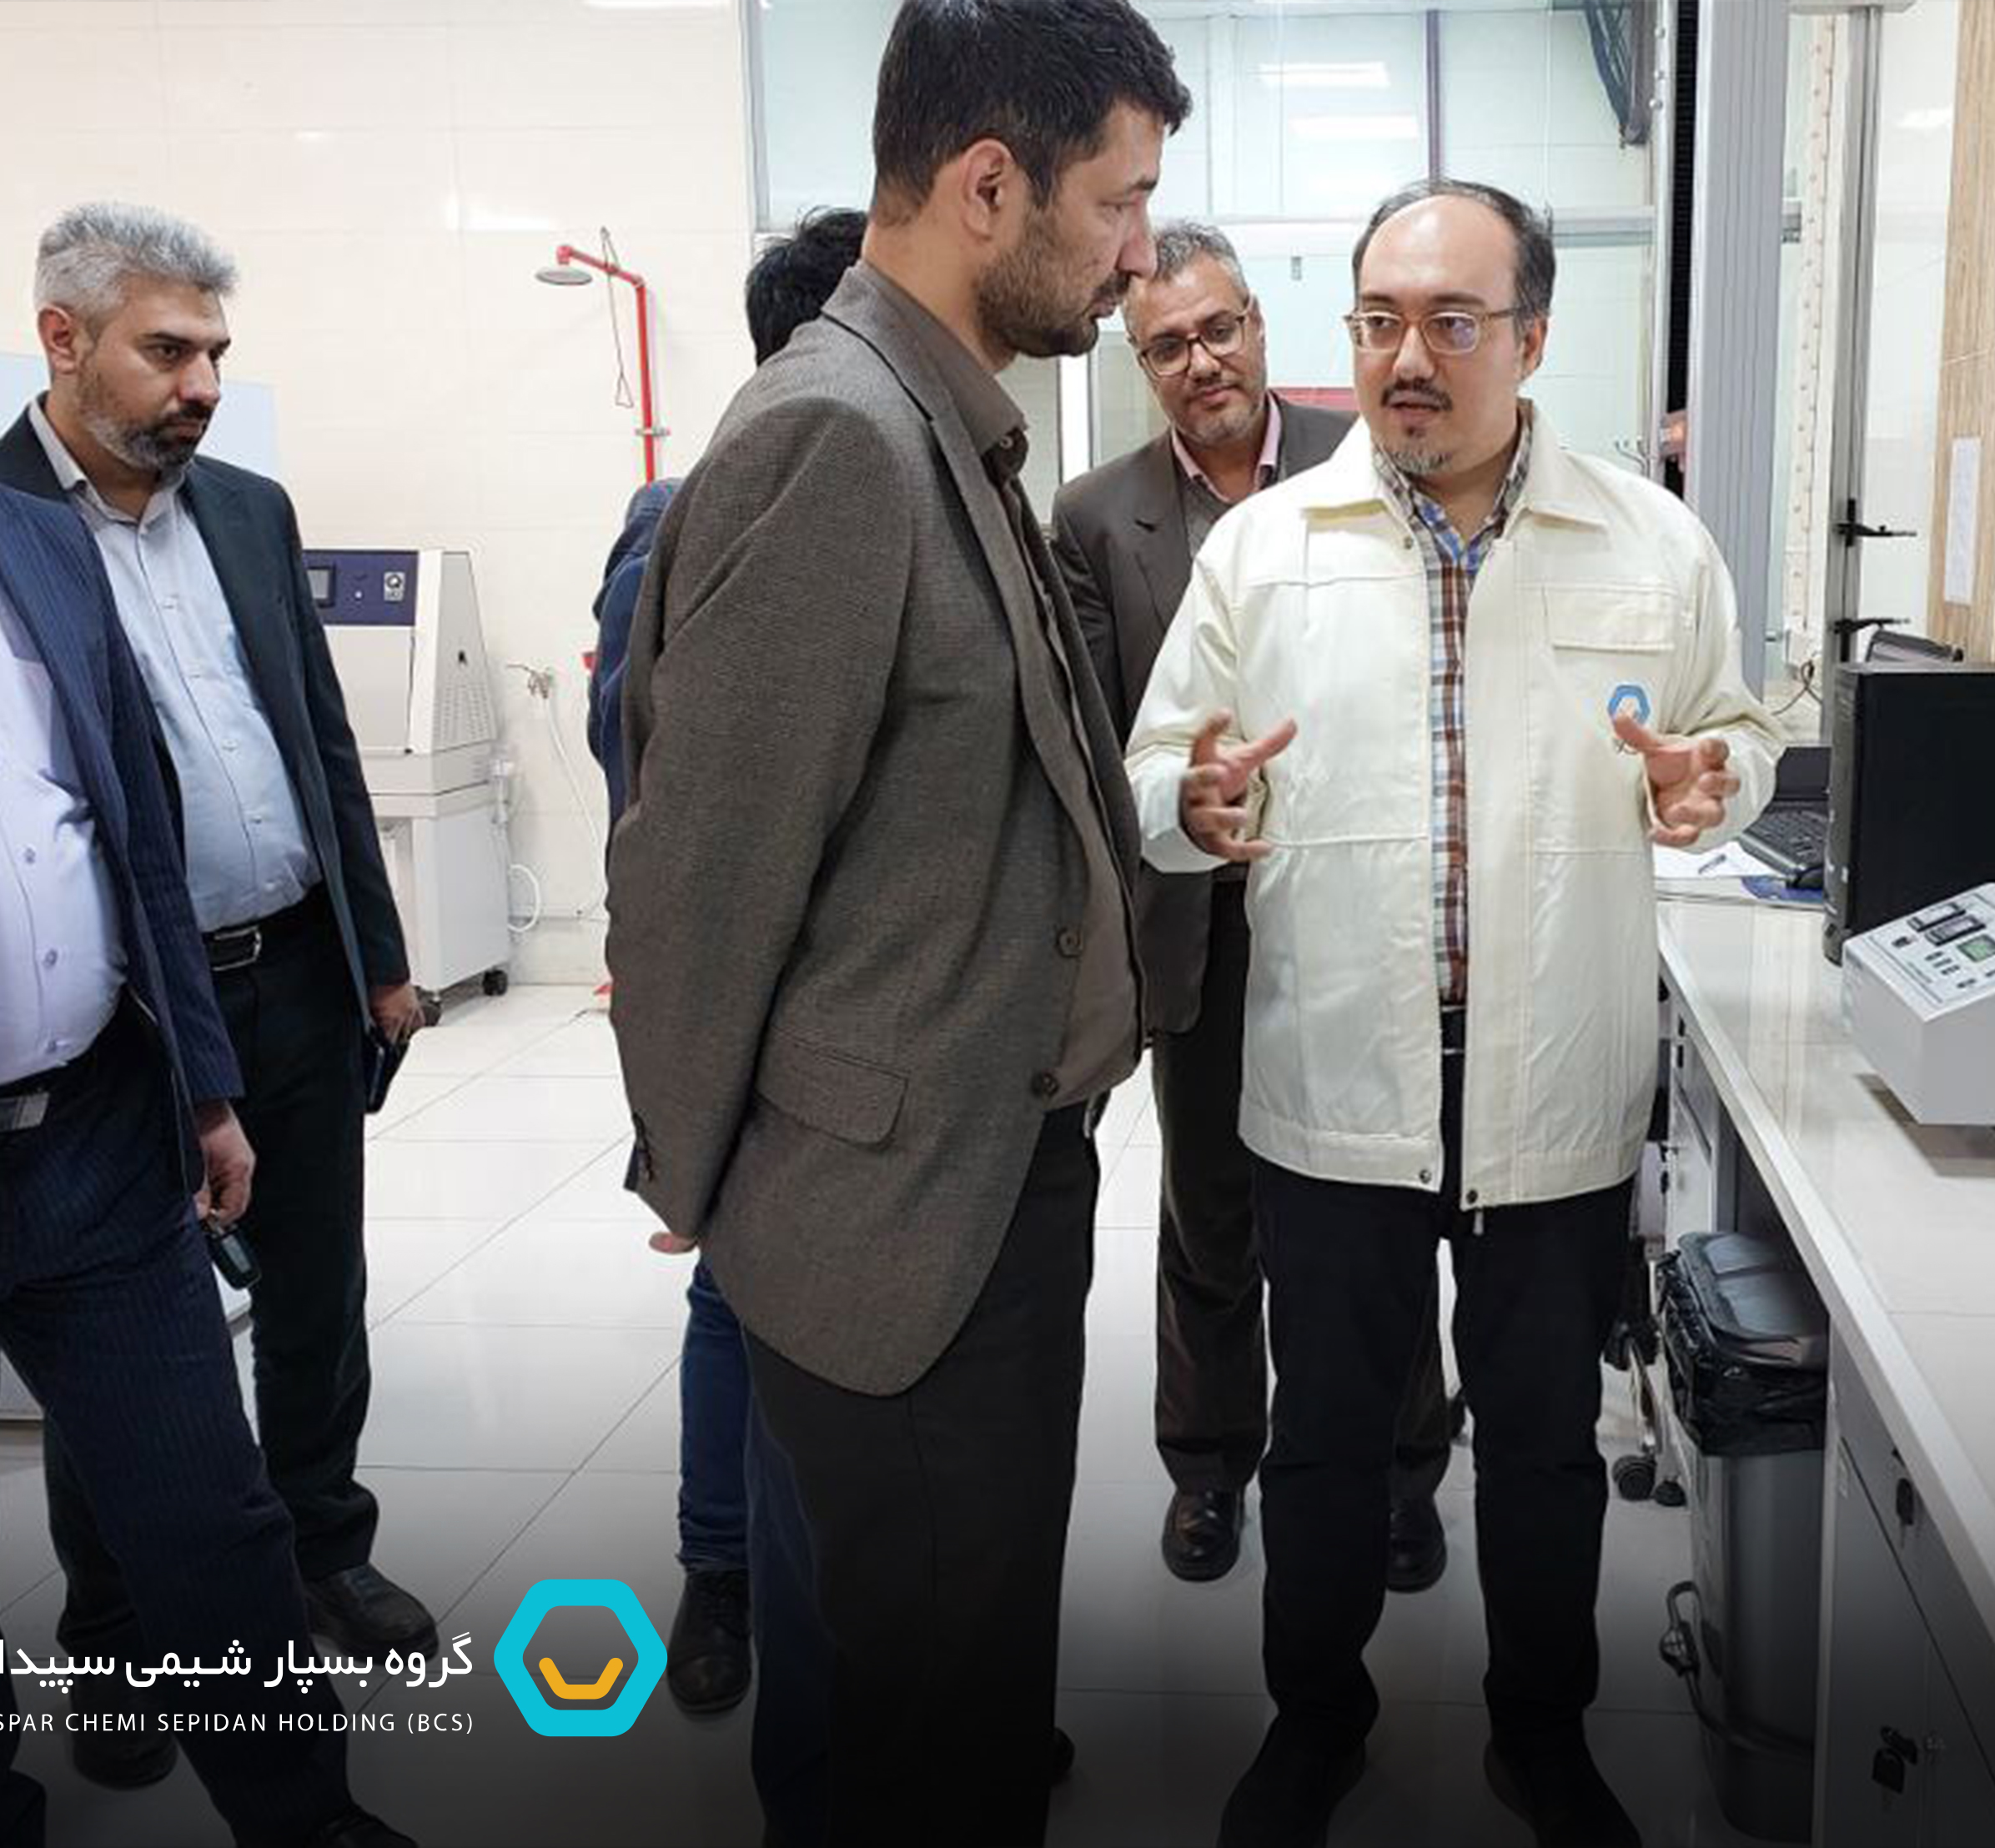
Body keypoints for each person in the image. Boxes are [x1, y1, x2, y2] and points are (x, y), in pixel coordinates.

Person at [1122, 178, 1786, 1848]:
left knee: (1547, 1447)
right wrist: (1187, 805)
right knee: (1327, 1443)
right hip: (1336, 1077)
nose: (1406, 357)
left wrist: (1721, 778)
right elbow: (1157, 764)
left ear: (1533, 338)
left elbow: (1739, 729)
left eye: (1451, 322)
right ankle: (1315, 1722)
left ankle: (1540, 1735)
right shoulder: (1268, 548)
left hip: (1554, 1080)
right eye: (1378, 321)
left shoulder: (1649, 541)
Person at [604, 4, 1187, 1843]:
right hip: (903, 1221)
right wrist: (700, 1173)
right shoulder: (838, 437)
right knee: (924, 1731)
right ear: (988, 185)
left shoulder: (949, 421)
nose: (1139, 255)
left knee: (969, 1681)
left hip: (987, 1166)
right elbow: (699, 879)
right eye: (1120, 202)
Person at [0, 142, 410, 1848]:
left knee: (219, 1520)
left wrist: (215, 1078)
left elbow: (136, 834)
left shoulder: (25, 545)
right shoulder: (36, 511)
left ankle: (308, 1807)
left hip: (117, 1115)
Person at [1051, 220, 1454, 1592]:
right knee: (1211, 1218)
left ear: (1261, 328)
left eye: (1218, 329)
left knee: (1378, 1205)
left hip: (1360, 912)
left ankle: (1403, 1469)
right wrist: (1184, 799)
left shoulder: (1378, 459)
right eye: (1166, 344)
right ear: (1139, 360)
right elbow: (1099, 745)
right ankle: (1211, 1467)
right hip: (1199, 925)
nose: (1200, 361)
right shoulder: (1095, 519)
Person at [585, 206, 867, 1730]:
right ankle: (722, 1572)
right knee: (735, 1296)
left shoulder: (922, 485)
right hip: (746, 993)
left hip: (871, 1010)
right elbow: (646, 774)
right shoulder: (695, 509)